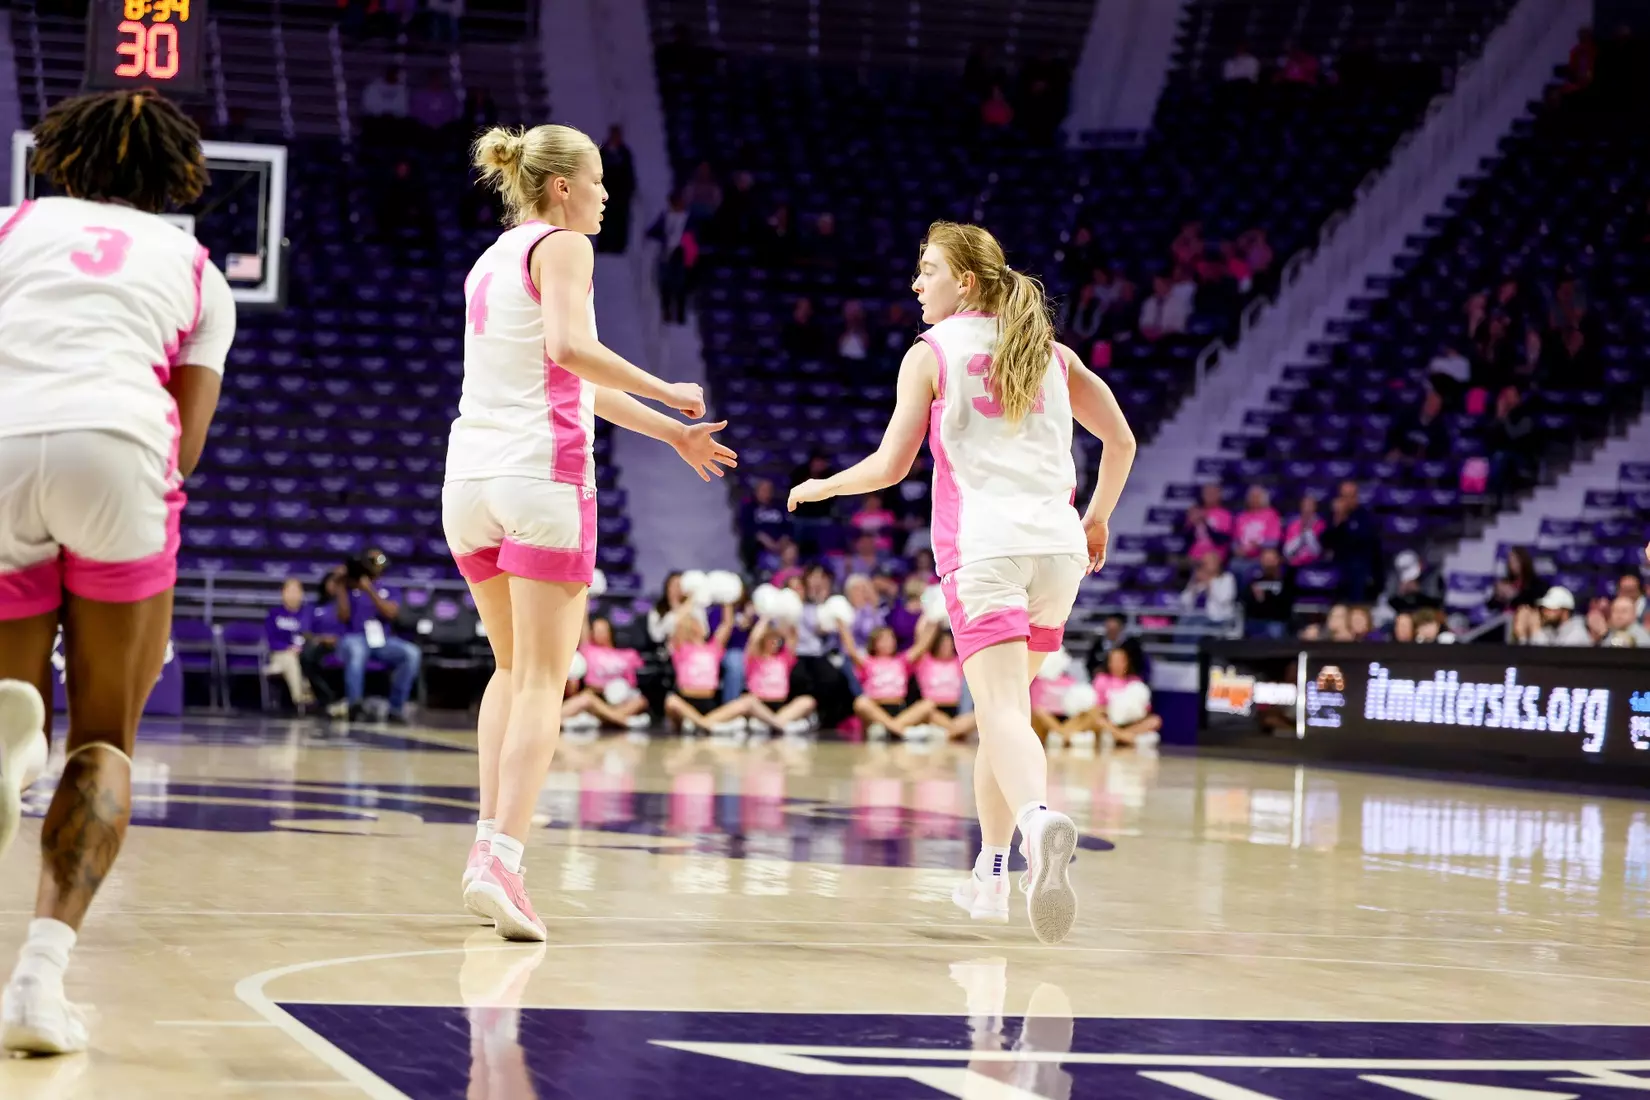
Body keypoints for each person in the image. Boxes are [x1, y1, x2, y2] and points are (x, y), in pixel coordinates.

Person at [787, 221, 1137, 945]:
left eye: (929, 270)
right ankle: (990, 875)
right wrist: (1098, 519)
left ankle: (1036, 823)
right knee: (1003, 718)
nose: (918, 283)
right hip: (1060, 551)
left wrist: (823, 486)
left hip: (986, 548)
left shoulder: (933, 352)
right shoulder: (1051, 351)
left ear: (966, 282)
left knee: (1002, 712)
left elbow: (890, 467)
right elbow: (1122, 440)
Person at [443, 122, 734, 942]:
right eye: (600, 181)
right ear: (562, 186)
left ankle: (485, 848)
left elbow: (567, 375)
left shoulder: (490, 259)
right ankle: (504, 860)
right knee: (545, 680)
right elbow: (574, 349)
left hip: (469, 482)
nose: (609, 195)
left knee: (511, 670)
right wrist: (669, 389)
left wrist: (670, 434)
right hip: (542, 476)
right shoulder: (564, 246)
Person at [0, 89, 237, 1055]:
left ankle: (11, 749)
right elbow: (187, 447)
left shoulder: (9, 227)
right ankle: (37, 983)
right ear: (176, 177)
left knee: (12, 700)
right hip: (117, 445)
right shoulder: (197, 271)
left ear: (61, 157)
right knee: (103, 738)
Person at [333, 551, 422, 723]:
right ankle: (355, 706)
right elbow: (343, 616)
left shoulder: (388, 588)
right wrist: (340, 586)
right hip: (355, 637)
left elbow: (391, 613)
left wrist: (369, 590)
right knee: (357, 651)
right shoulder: (350, 587)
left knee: (412, 653)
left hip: (382, 641)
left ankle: (395, 709)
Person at [840, 619, 941, 739]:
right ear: (874, 643)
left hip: (899, 709)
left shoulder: (901, 661)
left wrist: (935, 621)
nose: (888, 643)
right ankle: (903, 731)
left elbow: (922, 646)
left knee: (928, 704)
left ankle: (889, 728)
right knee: (861, 703)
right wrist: (841, 623)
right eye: (883, 640)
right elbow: (851, 650)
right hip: (876, 709)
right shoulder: (867, 662)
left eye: (891, 639)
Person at [264, 578, 316, 711]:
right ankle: (301, 698)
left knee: (299, 659)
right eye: (290, 591)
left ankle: (305, 699)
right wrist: (287, 648)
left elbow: (311, 636)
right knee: (290, 658)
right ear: (283, 593)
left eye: (296, 591)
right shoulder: (274, 614)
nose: (293, 595)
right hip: (279, 655)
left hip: (302, 654)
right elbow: (271, 640)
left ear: (302, 594)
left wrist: (301, 648)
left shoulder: (307, 614)